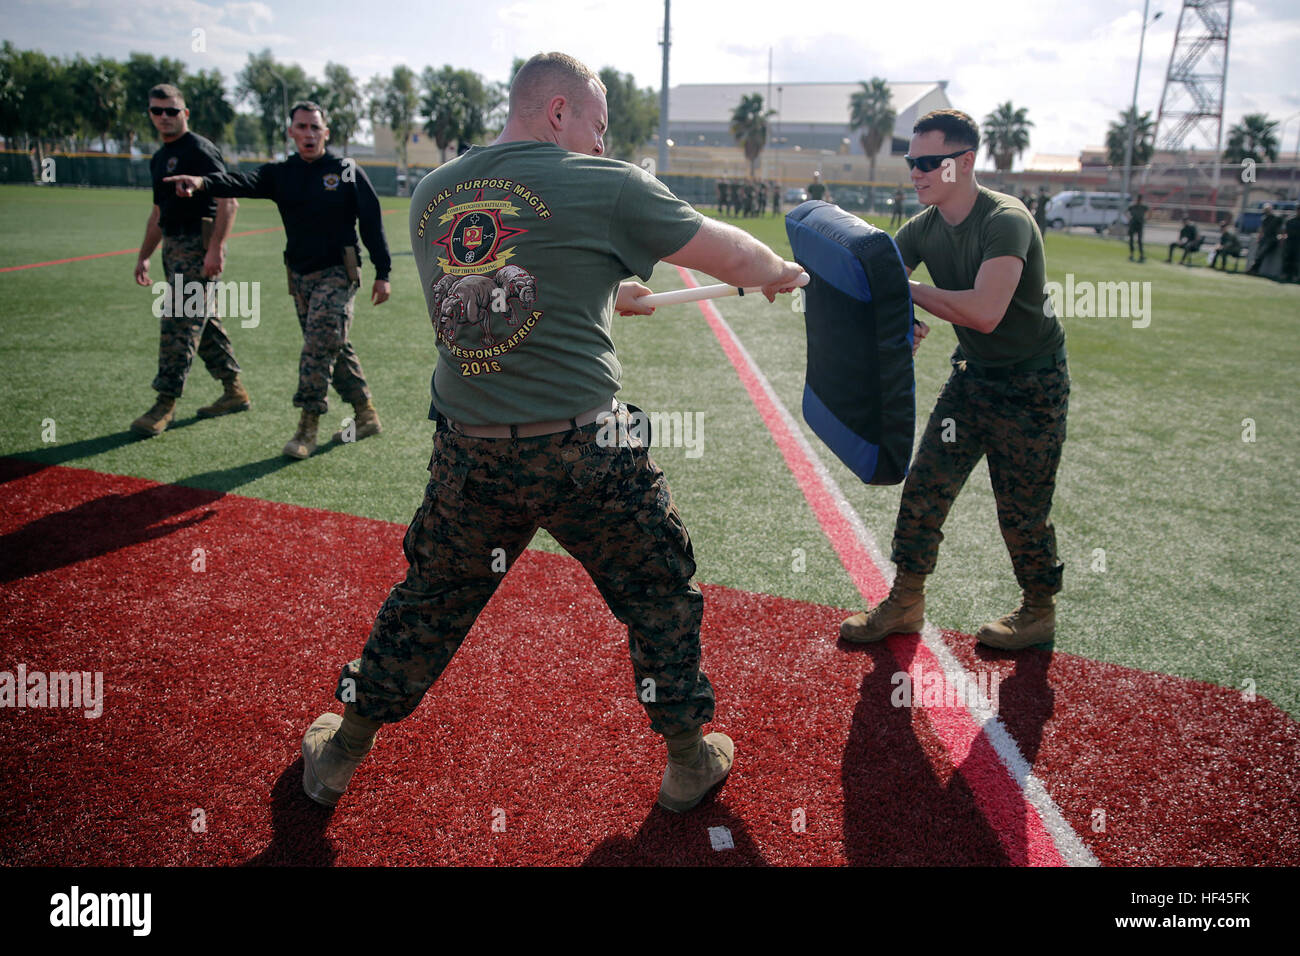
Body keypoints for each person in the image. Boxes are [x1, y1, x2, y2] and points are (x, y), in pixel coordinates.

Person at [298, 52, 804, 814]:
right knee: (660, 591)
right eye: (597, 127)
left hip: (471, 450)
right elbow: (727, 254)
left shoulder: (437, 191)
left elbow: (496, 279)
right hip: (584, 454)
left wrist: (607, 291)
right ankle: (687, 759)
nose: (603, 144)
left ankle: (341, 752)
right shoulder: (608, 183)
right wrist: (776, 271)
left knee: (428, 600)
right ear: (560, 111)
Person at [840, 108, 1068, 651]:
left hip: (1032, 384)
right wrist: (901, 315)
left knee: (1021, 512)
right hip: (973, 380)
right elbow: (876, 281)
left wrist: (907, 291)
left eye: (927, 161)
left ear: (964, 162)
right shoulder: (924, 225)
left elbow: (985, 311)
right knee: (924, 489)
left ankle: (1039, 610)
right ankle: (906, 602)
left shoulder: (1005, 220)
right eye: (910, 161)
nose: (915, 172)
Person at [166, 102, 392, 459]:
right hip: (299, 277)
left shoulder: (345, 171)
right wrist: (202, 182)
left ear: (326, 132)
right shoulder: (280, 173)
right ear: (292, 132)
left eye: (315, 128)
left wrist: (383, 272)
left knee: (318, 346)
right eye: (302, 127)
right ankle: (366, 414)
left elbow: (371, 222)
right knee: (332, 345)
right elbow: (240, 182)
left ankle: (307, 426)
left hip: (338, 273)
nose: (309, 134)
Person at [130, 84, 248, 437]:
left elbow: (229, 200)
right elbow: (157, 214)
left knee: (178, 321)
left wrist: (216, 249)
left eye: (171, 110)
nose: (164, 117)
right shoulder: (157, 159)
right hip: (173, 249)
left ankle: (164, 403)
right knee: (203, 323)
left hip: (199, 248)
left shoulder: (200, 150)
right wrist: (144, 257)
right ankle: (234, 390)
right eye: (156, 111)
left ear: (185, 113)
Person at [1247, 203, 1282, 276]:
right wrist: (1259, 237)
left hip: (1272, 239)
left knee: (1260, 254)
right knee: (1258, 255)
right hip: (1265, 239)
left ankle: (1253, 269)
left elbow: (1280, 229)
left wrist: (1281, 236)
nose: (1266, 211)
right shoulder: (1264, 218)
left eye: (1267, 210)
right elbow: (1262, 229)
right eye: (1265, 210)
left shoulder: (1276, 218)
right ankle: (1254, 269)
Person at [1126, 194, 1148, 262]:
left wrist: (1146, 219)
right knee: (1131, 240)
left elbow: (1149, 212)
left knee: (1139, 241)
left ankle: (1141, 256)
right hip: (1133, 224)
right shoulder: (1133, 206)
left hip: (1139, 224)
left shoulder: (1143, 206)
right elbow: (1126, 212)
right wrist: (1129, 218)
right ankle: (1131, 255)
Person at [1280, 209, 1300, 283]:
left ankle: (1295, 276)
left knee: (1296, 260)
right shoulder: (1290, 220)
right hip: (1289, 242)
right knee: (1287, 259)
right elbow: (1284, 231)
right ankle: (1284, 274)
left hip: (1298, 243)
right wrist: (1282, 240)